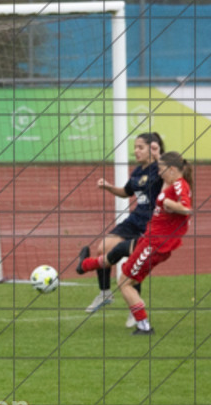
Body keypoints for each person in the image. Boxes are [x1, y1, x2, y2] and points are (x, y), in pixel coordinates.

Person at [78, 151, 193, 335]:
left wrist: (171, 205)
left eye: (162, 169)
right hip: (150, 238)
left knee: (124, 282)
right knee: (119, 250)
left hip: (156, 244)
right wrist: (158, 156)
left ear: (172, 169)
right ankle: (84, 266)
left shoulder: (179, 185)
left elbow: (186, 208)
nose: (159, 172)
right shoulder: (170, 182)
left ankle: (143, 325)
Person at [77, 132, 165, 324]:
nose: (136, 151)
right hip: (134, 220)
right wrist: (108, 186)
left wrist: (158, 156)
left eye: (140, 147)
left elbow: (173, 172)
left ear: (152, 148)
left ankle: (135, 309)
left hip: (151, 225)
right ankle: (105, 293)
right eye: (135, 147)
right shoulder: (137, 171)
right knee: (103, 248)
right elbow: (126, 193)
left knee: (135, 261)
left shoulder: (160, 169)